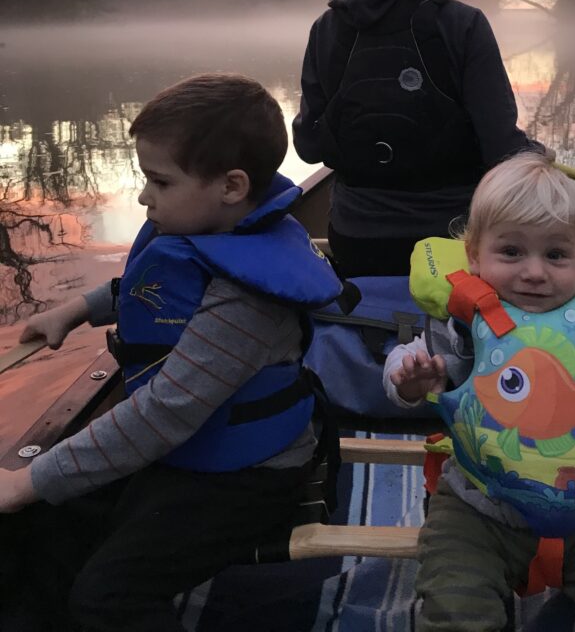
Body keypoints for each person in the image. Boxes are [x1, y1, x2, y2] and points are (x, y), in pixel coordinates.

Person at [0, 73, 342, 632]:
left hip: (246, 479)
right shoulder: (210, 234)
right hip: (190, 453)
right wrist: (78, 309)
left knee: (107, 597)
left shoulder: (247, 301)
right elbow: (159, 294)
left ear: (231, 187)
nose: (142, 195)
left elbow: (163, 413)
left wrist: (27, 479)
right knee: (49, 522)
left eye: (159, 181)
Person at [384, 153, 575, 632]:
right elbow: (404, 361)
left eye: (555, 255)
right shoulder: (462, 326)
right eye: (512, 252)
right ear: (474, 256)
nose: (535, 272)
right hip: (476, 505)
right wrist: (409, 381)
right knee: (455, 611)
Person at [293, 0, 543, 278]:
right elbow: (503, 150)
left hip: (354, 240)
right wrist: (538, 155)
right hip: (452, 244)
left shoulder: (327, 27)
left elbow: (309, 147)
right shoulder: (465, 25)